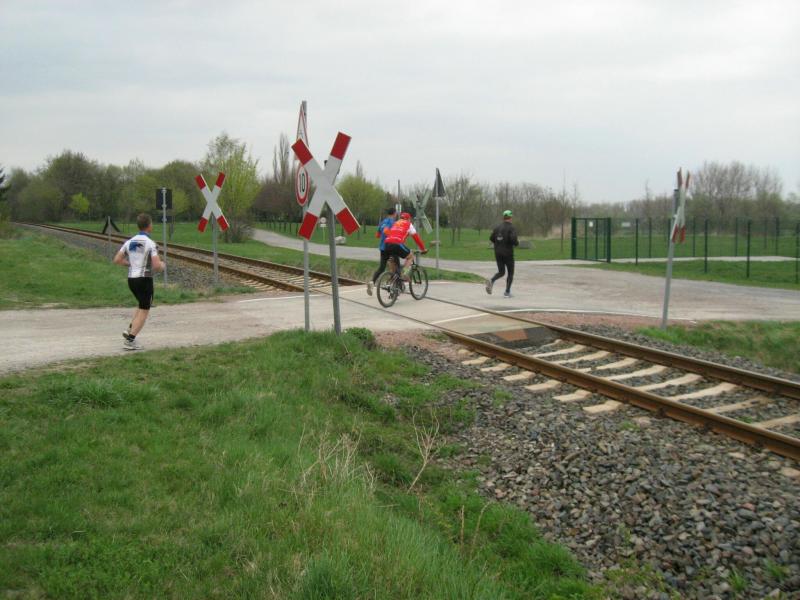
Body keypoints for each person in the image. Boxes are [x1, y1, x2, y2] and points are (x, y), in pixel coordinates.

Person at [114, 213, 165, 350]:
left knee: (141, 305)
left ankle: (130, 329)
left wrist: (130, 264)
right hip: (144, 279)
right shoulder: (150, 243)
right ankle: (130, 341)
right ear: (149, 226)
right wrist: (162, 265)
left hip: (132, 279)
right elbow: (156, 266)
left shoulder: (129, 242)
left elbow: (117, 259)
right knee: (145, 309)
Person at [383, 212, 427, 279]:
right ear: (409, 219)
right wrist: (423, 249)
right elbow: (416, 238)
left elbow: (386, 231)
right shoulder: (409, 224)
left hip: (387, 243)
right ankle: (404, 273)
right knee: (410, 256)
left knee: (392, 260)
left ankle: (393, 278)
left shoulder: (396, 223)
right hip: (397, 243)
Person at [486, 209, 518, 297]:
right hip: (508, 253)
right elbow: (513, 240)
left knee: (501, 272)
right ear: (510, 217)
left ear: (503, 217)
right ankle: (507, 292)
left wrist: (498, 243)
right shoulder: (511, 228)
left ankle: (492, 280)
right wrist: (516, 243)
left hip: (498, 253)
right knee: (510, 273)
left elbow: (491, 238)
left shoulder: (497, 227)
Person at [367, 207, 397, 296]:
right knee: (395, 266)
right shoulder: (393, 222)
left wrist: (384, 235)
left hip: (383, 248)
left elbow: (377, 235)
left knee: (382, 267)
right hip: (391, 247)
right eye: (396, 214)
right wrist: (391, 235)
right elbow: (387, 231)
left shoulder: (382, 222)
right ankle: (393, 287)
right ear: (394, 213)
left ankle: (372, 282)